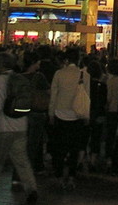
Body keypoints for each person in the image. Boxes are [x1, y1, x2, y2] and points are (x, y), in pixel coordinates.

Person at [0, 52, 38, 204]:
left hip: (3, 127)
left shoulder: (0, 80)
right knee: (22, 161)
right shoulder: (20, 78)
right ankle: (32, 188)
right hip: (21, 125)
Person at [49, 47, 88, 189]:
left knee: (59, 148)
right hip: (77, 114)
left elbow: (53, 95)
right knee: (74, 148)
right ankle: (71, 176)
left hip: (60, 112)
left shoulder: (59, 74)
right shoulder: (84, 75)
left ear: (66, 59)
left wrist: (51, 113)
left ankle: (59, 176)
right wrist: (86, 115)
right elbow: (87, 97)